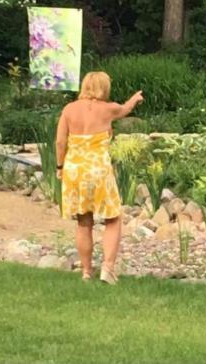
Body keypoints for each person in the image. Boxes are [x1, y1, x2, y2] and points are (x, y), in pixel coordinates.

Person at [56, 71, 143, 284]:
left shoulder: (69, 109)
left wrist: (59, 166)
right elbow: (124, 110)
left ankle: (86, 272)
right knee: (112, 218)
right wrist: (135, 98)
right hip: (98, 169)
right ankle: (108, 268)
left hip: (74, 170)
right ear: (103, 88)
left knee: (84, 221)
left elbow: (60, 142)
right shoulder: (108, 109)